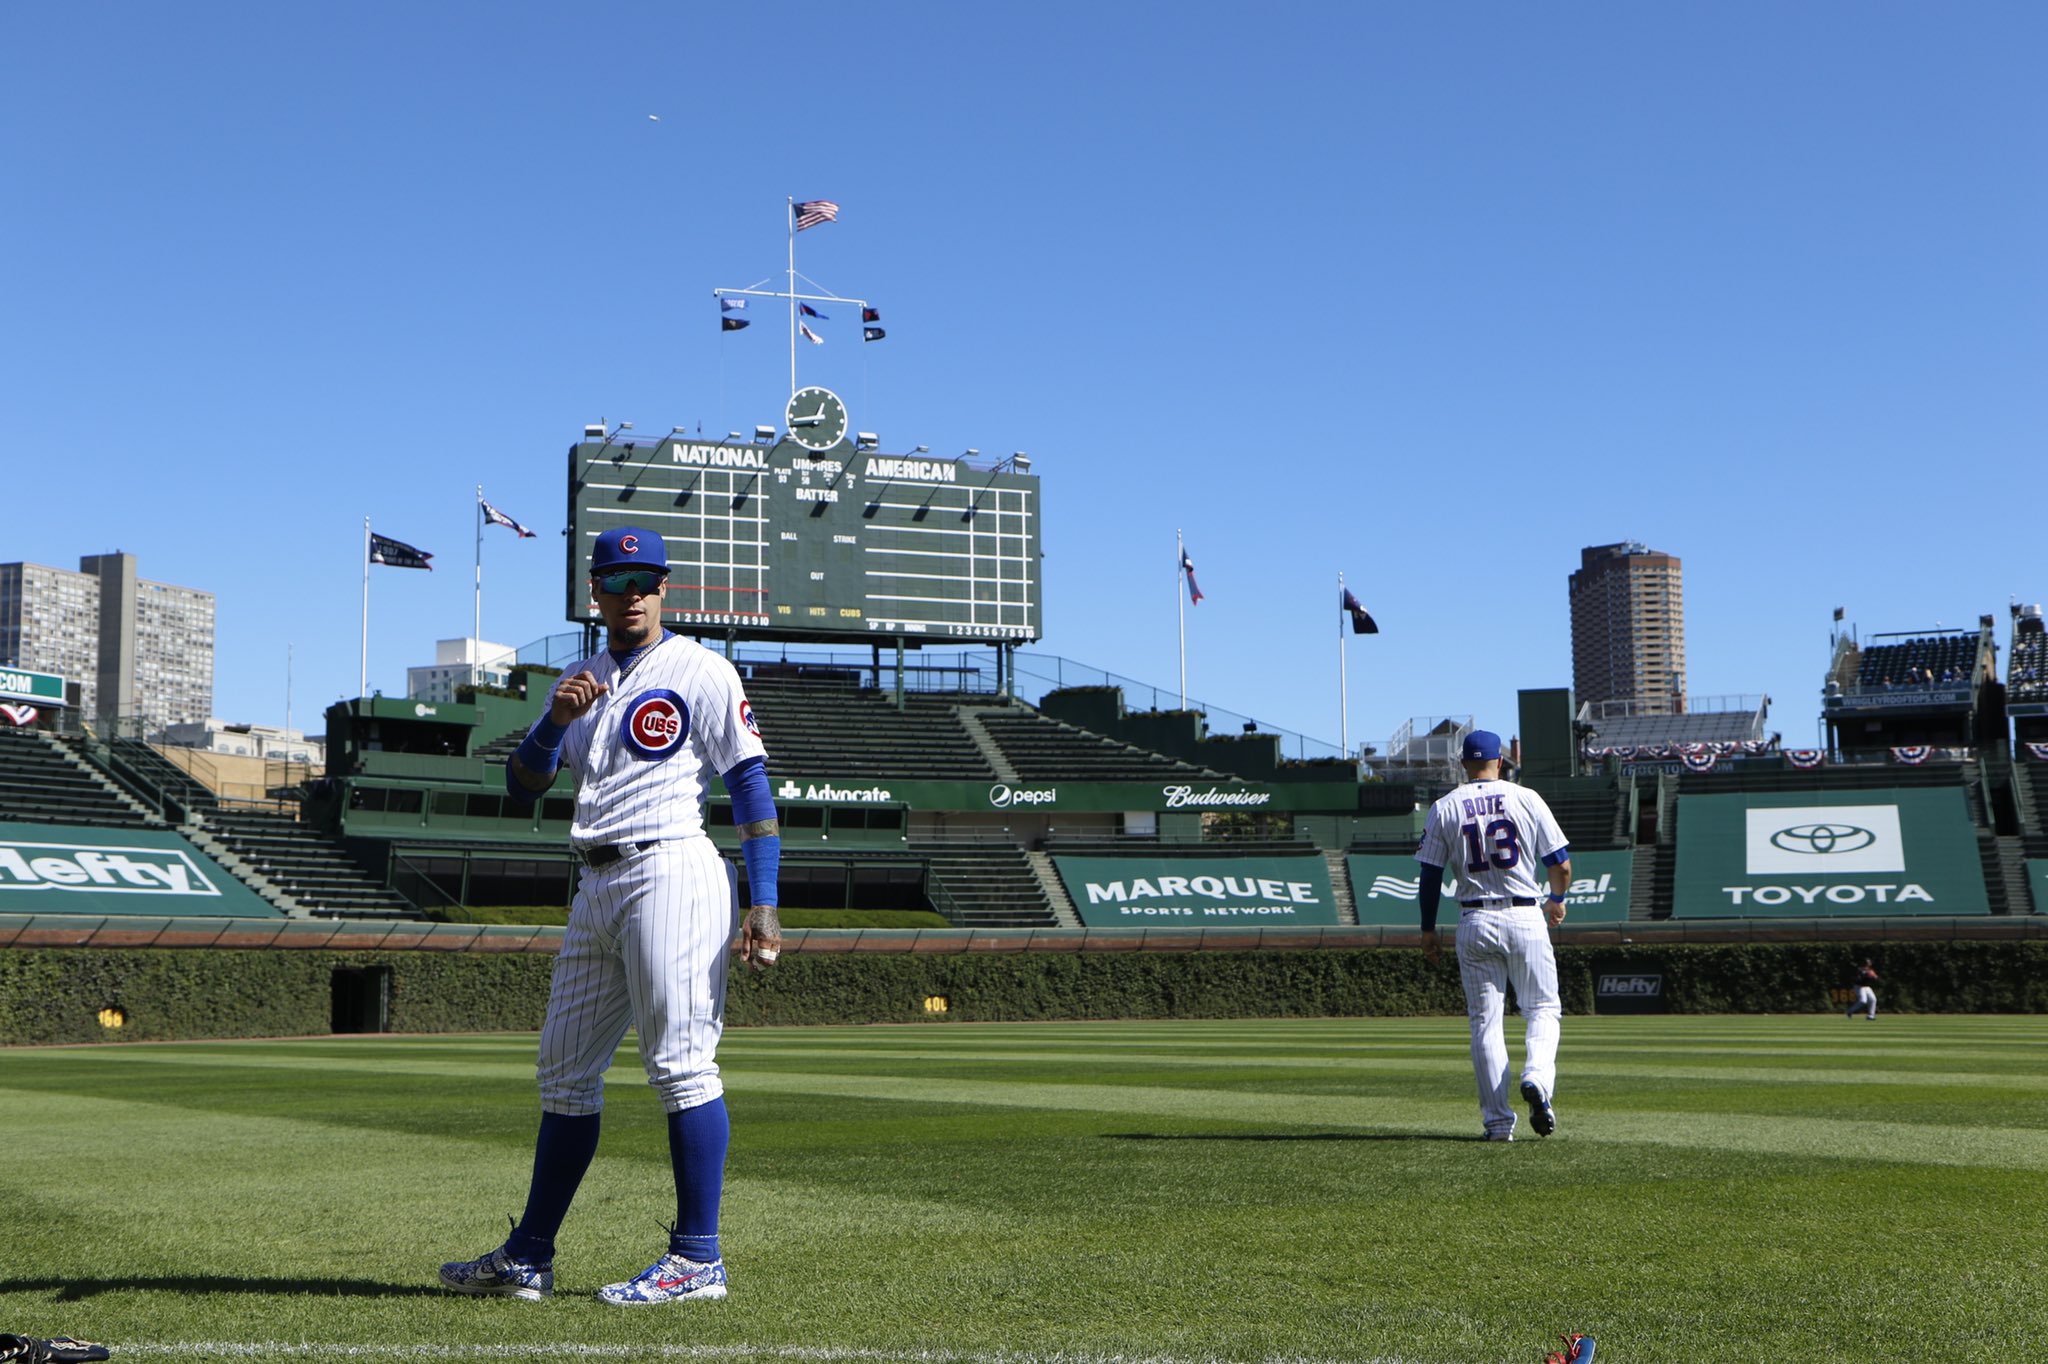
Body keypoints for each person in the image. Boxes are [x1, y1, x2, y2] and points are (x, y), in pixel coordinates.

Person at [439, 525, 783, 1305]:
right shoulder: (580, 679)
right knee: (563, 1075)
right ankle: (529, 1255)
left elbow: (752, 789)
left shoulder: (699, 669)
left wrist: (763, 901)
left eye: (645, 580)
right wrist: (553, 720)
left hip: (671, 866)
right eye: (616, 580)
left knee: (681, 1064)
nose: (632, 593)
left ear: (665, 589)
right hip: (594, 880)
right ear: (594, 592)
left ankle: (698, 1258)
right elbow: (521, 786)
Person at [1415, 730, 1572, 1141]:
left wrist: (1428, 930)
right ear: (1500, 761)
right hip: (1524, 914)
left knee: (1486, 1024)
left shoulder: (1444, 806)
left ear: (1463, 763)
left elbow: (1429, 875)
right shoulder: (1527, 798)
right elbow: (1561, 864)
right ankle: (1536, 1076)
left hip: (1474, 919)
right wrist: (1556, 898)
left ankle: (1499, 1124)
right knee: (1542, 1009)